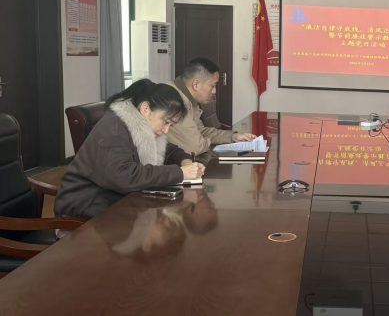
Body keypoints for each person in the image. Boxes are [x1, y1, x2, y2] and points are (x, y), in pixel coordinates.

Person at [55, 79, 205, 220]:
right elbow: (124, 176)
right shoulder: (113, 129)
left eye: (170, 125)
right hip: (86, 207)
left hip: (116, 201)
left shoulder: (140, 126)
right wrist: (179, 173)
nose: (166, 130)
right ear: (145, 109)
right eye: (166, 122)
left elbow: (166, 149)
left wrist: (184, 160)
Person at [167, 58, 256, 154]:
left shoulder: (188, 97)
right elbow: (195, 147)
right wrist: (204, 140)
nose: (214, 91)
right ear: (196, 84)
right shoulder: (173, 100)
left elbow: (199, 131)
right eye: (212, 86)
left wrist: (232, 137)